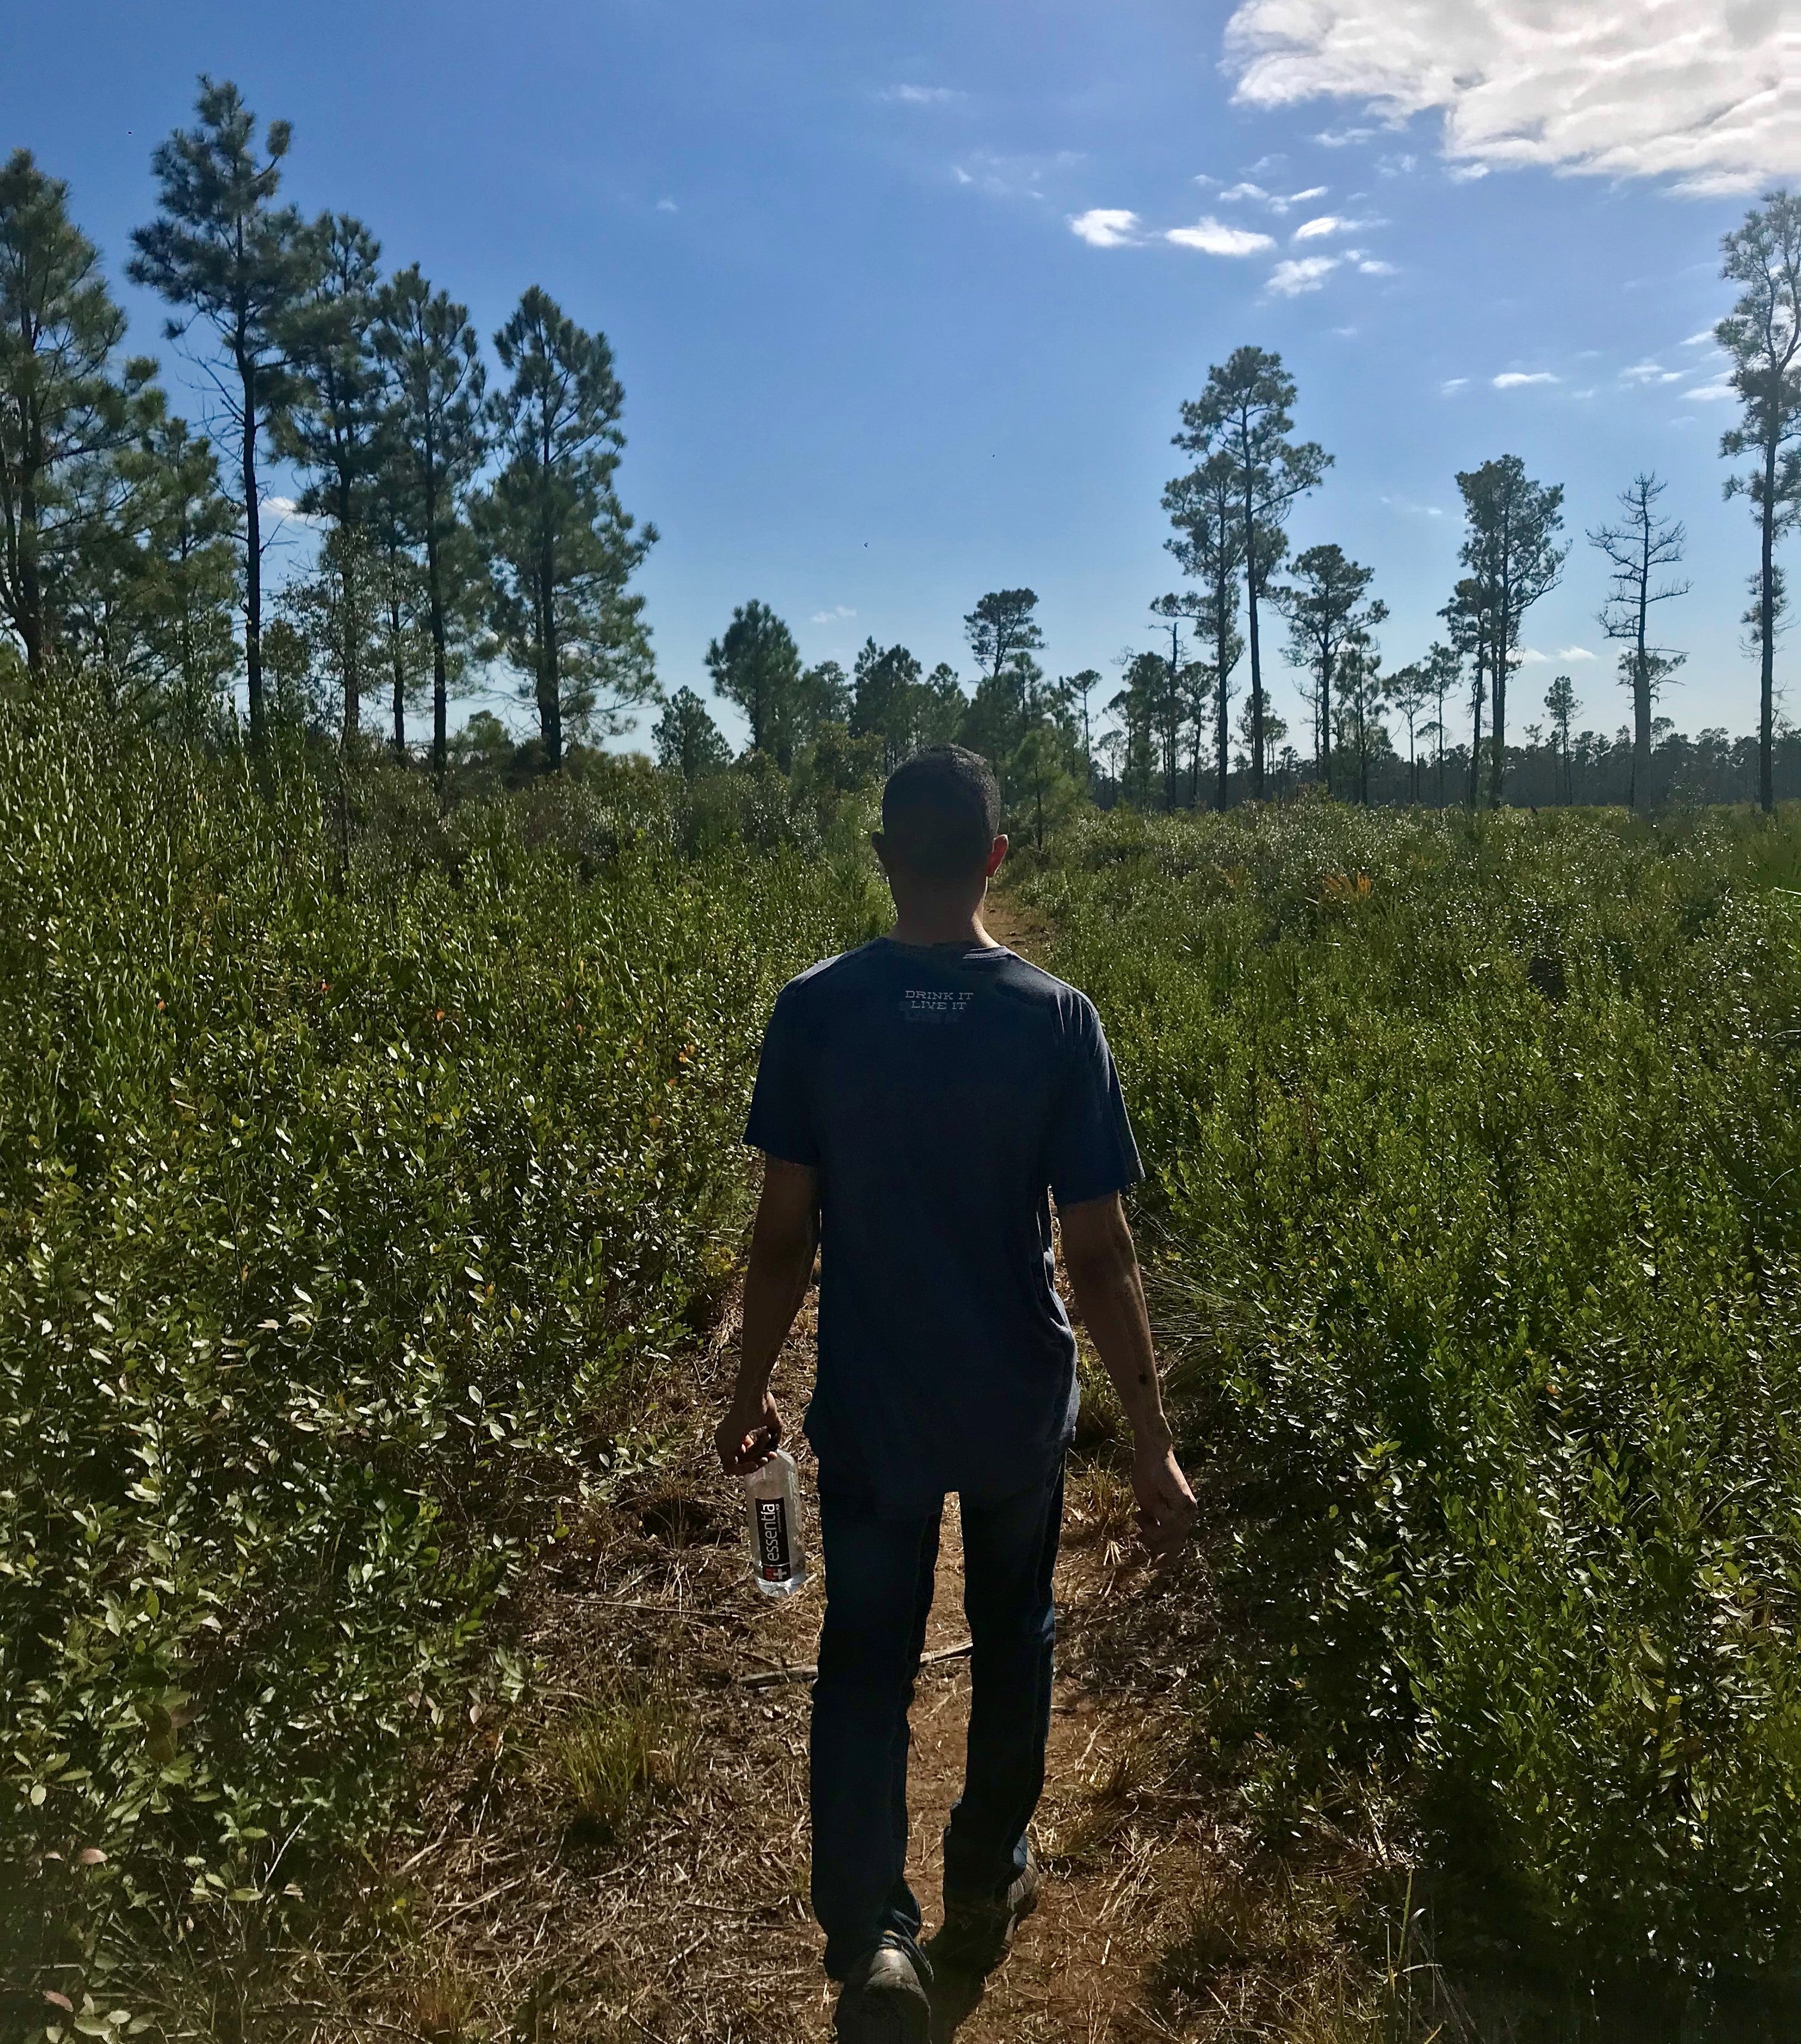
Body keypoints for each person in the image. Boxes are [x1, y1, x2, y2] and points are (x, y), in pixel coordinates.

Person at [715, 744, 1196, 2043]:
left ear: (881, 854)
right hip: (1007, 1409)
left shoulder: (816, 1010)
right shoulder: (1054, 1019)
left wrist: (749, 1387)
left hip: (872, 1405)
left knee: (864, 1662)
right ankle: (982, 1887)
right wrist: (1149, 1443)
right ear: (995, 857)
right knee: (1013, 1633)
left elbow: (781, 1238)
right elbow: (1097, 1254)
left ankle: (872, 1938)